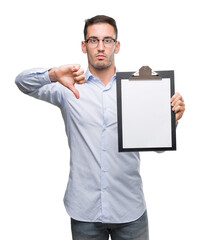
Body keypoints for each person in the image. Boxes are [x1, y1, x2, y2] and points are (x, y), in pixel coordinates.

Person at [15, 15, 185, 240]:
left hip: (129, 210)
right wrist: (53, 74)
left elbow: (159, 147)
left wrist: (170, 121)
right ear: (84, 46)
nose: (101, 47)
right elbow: (22, 82)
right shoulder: (68, 87)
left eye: (107, 40)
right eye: (93, 40)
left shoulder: (139, 89)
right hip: (84, 211)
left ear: (117, 45)